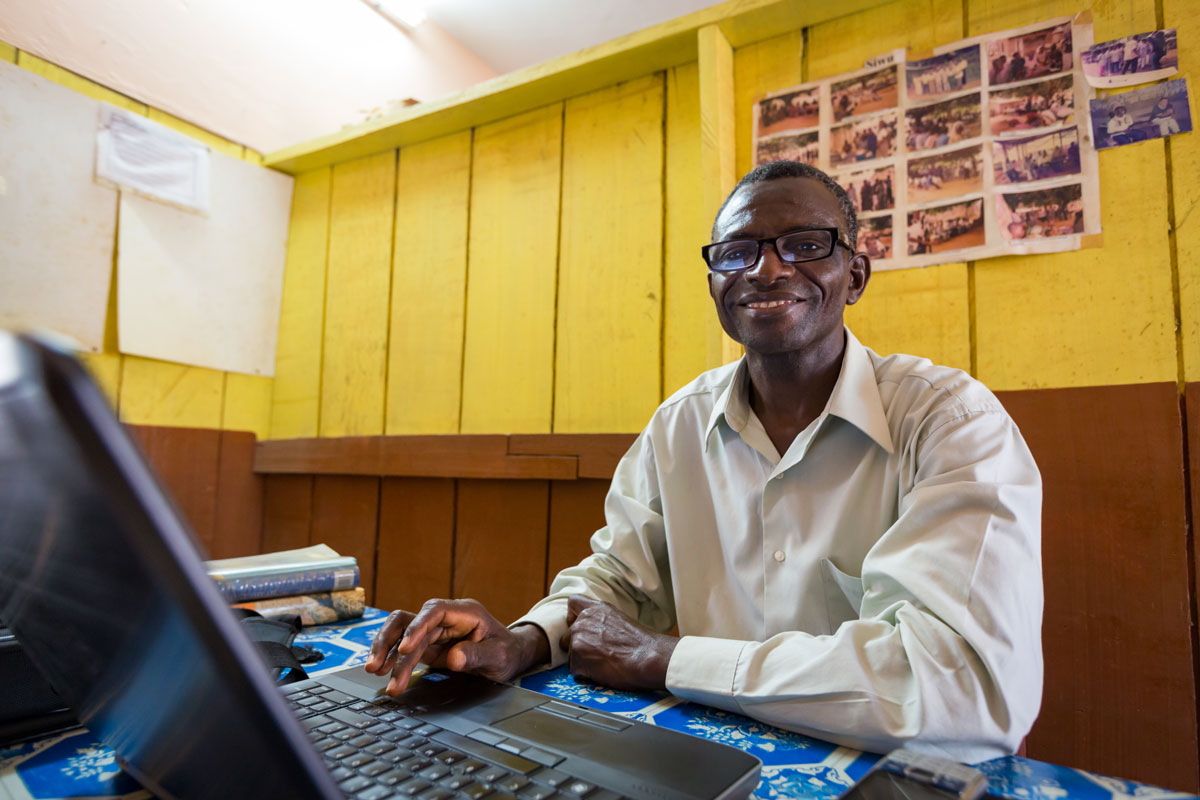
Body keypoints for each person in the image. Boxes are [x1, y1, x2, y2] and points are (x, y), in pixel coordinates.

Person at [366, 161, 1044, 762]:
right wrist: (523, 641)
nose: (767, 269)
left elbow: (958, 685)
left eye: (805, 246)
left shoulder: (948, 420)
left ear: (855, 274)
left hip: (905, 773)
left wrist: (666, 659)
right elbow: (618, 581)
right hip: (725, 762)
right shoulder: (680, 424)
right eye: (737, 251)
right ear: (716, 282)